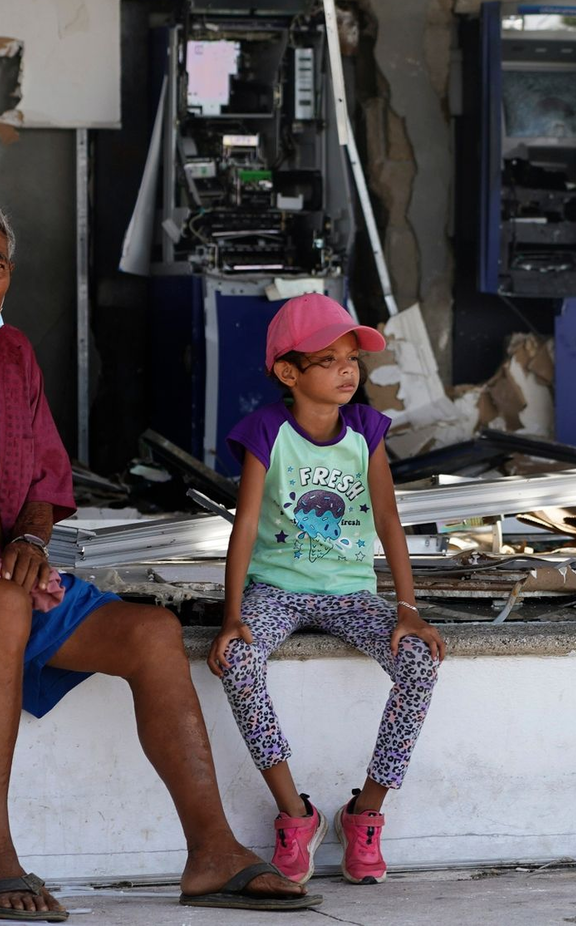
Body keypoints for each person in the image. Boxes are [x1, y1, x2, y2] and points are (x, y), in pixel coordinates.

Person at [0, 193, 317, 920]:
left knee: (151, 632)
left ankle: (212, 851)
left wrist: (33, 538)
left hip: (3, 573)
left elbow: (45, 477)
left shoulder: (12, 355)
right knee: (6, 602)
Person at [209, 292, 443, 888]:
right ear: (289, 372)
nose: (348, 370)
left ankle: (365, 814)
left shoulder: (365, 430)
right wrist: (233, 615)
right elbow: (244, 527)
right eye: (330, 359)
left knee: (418, 663)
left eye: (352, 359)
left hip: (350, 593)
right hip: (276, 589)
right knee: (239, 662)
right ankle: (296, 814)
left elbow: (388, 519)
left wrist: (407, 609)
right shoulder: (268, 430)